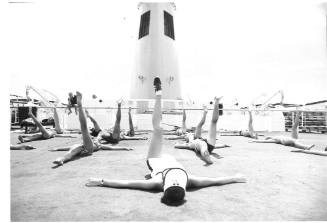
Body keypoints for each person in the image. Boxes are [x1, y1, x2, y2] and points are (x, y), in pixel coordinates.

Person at [85, 77, 246, 206]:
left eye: (172, 184)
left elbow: (128, 183)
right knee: (163, 130)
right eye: (178, 184)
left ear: (165, 187)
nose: (176, 181)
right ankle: (159, 94)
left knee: (159, 129)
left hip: (155, 160)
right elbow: (215, 181)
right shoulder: (190, 180)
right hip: (171, 160)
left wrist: (101, 181)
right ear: (182, 187)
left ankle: (158, 94)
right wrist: (235, 177)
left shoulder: (158, 182)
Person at [52, 92, 133, 166]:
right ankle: (61, 160)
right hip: (83, 147)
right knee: (71, 152)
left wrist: (124, 148)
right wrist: (58, 148)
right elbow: (70, 147)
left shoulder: (99, 144)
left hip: (88, 147)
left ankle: (80, 105)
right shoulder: (99, 142)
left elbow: (111, 147)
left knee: (84, 129)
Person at [174, 97, 230, 164]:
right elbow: (179, 145)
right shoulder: (190, 143)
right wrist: (224, 145)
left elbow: (178, 145)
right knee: (202, 144)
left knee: (213, 123)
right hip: (206, 145)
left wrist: (224, 145)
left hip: (209, 145)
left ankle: (216, 102)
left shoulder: (190, 142)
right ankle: (206, 157)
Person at [249, 111, 315, 150]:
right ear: (268, 139)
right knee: (295, 141)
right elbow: (263, 141)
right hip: (286, 141)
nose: (267, 137)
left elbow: (264, 140)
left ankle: (298, 113)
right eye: (267, 138)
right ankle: (306, 147)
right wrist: (254, 140)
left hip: (289, 139)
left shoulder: (274, 137)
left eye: (267, 137)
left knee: (294, 127)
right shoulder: (274, 140)